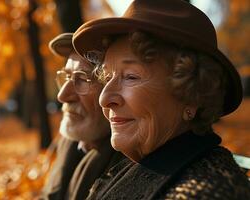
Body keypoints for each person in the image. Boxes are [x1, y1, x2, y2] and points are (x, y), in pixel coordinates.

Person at [72, 0, 250, 199]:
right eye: (107, 77)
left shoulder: (204, 191)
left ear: (192, 95)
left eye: (131, 76)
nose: (104, 98)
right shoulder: (134, 167)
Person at [41, 33, 125, 199]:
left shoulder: (130, 166)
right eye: (66, 76)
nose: (62, 95)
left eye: (82, 79)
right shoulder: (69, 143)